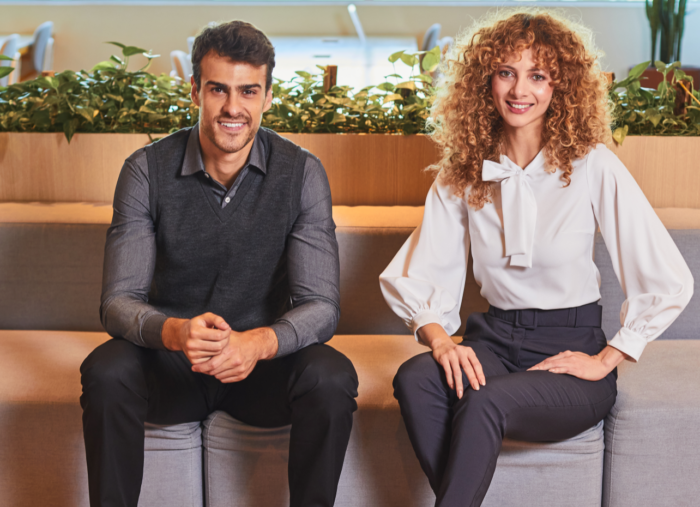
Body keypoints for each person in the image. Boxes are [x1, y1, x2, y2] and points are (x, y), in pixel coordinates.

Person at [379, 10, 693, 507]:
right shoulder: (463, 173)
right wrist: (441, 342)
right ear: (486, 81)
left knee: (483, 401)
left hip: (569, 346)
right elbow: (418, 272)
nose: (519, 89)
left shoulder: (592, 164)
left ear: (559, 88)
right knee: (415, 378)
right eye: (506, 72)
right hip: (494, 340)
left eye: (538, 75)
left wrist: (608, 358)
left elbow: (665, 274)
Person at [80, 20, 358, 507]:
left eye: (248, 91)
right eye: (218, 90)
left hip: (260, 368)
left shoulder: (303, 173)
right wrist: (174, 333)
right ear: (195, 92)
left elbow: (321, 306)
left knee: (332, 377)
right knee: (105, 372)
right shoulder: (145, 170)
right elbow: (117, 302)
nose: (233, 107)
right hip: (170, 364)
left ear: (267, 97)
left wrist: (258, 343)